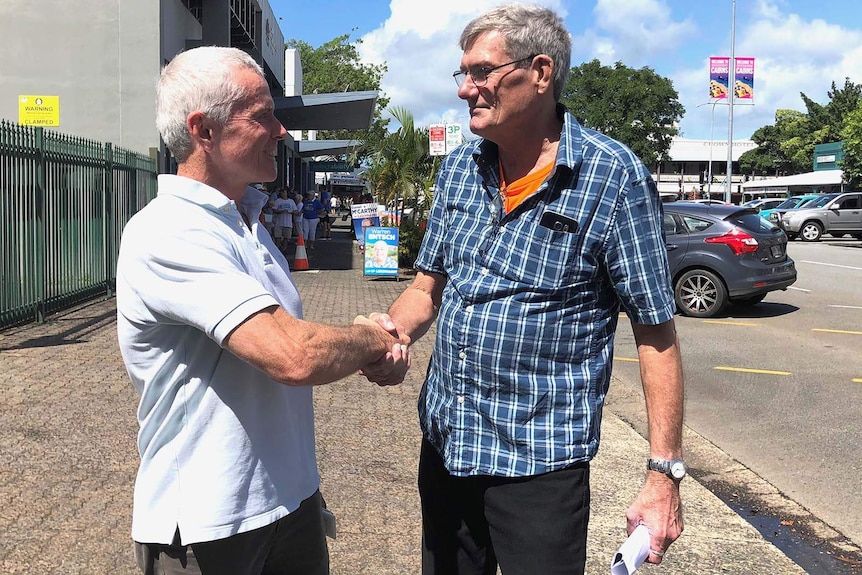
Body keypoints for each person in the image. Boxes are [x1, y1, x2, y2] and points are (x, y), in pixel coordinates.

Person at [361, 4, 685, 574]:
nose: (466, 89)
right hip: (447, 443)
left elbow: (655, 330)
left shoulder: (613, 177)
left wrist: (664, 475)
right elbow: (427, 286)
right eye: (461, 74)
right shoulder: (462, 168)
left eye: (481, 72)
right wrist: (392, 335)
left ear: (540, 72)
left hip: (540, 464)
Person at [115, 46, 409, 575]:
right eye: (262, 116)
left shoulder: (244, 222)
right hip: (210, 524)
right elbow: (293, 354)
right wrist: (373, 338)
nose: (281, 132)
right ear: (204, 130)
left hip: (288, 497)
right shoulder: (170, 230)